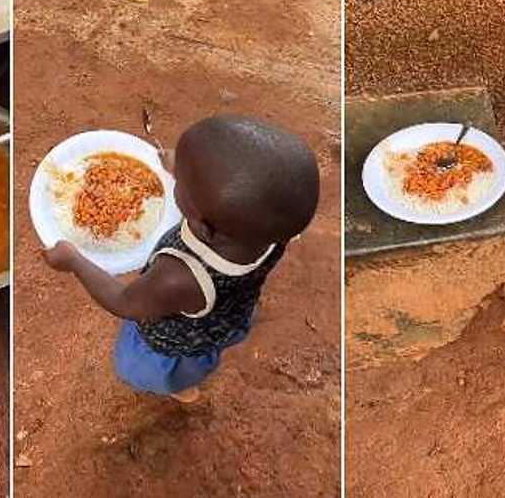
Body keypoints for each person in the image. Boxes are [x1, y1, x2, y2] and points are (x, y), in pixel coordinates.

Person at [43, 115, 320, 402]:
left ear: (203, 225)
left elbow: (125, 302)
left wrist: (73, 260)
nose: (175, 175)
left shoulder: (179, 276)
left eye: (182, 182)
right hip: (231, 313)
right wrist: (186, 171)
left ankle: (175, 385)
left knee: (146, 369)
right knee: (221, 327)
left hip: (174, 342)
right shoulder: (271, 229)